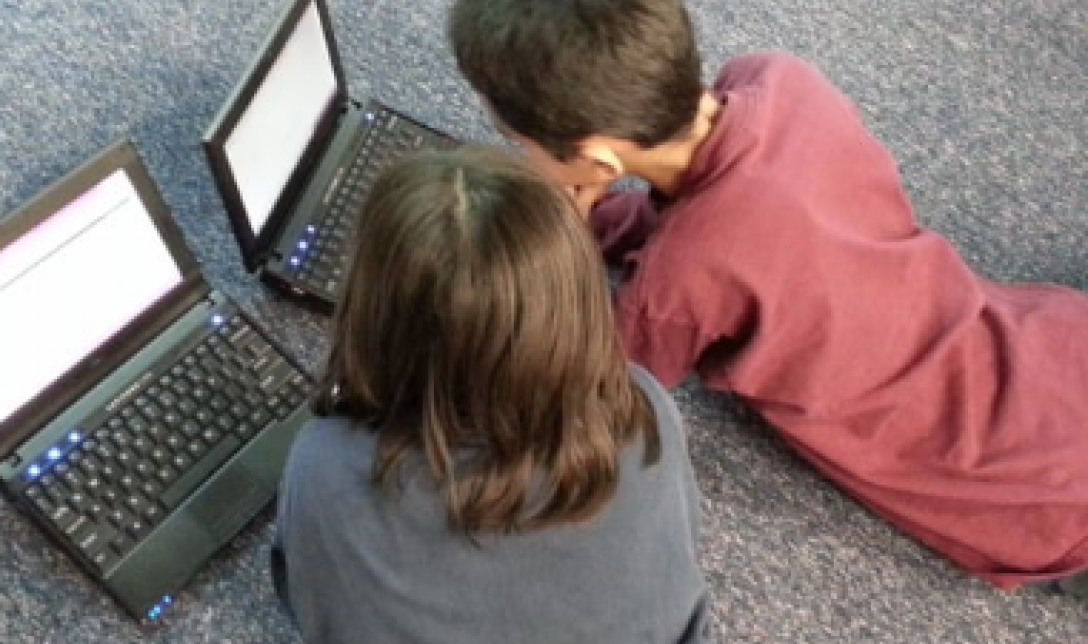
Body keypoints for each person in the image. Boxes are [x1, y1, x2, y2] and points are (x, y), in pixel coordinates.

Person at [446, 0, 1088, 595]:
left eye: (522, 147)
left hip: (1028, 489)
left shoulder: (674, 289)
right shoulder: (778, 80)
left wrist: (557, 230)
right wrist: (599, 212)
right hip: (1049, 350)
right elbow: (709, 215)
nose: (523, 160)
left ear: (596, 159)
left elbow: (593, 381)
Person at [270, 145, 714, 643]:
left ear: (371, 311)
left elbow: (306, 602)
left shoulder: (326, 469)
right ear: (578, 296)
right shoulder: (645, 409)